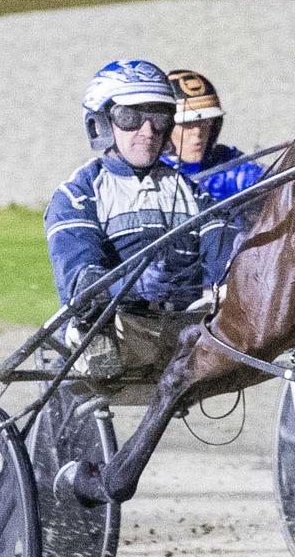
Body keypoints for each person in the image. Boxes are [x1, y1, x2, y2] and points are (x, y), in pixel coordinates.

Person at [44, 59, 234, 378]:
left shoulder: (195, 195)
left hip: (186, 330)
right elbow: (79, 282)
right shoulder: (78, 195)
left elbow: (227, 264)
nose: (147, 132)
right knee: (95, 333)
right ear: (101, 124)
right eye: (130, 117)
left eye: (158, 119)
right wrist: (131, 286)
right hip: (112, 329)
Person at [159, 69, 264, 202]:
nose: (197, 133)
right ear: (165, 127)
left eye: (205, 122)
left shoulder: (235, 169)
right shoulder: (147, 177)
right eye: (187, 124)